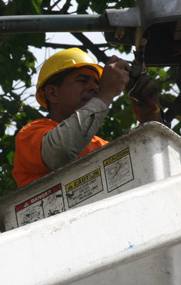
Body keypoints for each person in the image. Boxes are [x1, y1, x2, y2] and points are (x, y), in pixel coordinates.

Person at [12, 47, 160, 188]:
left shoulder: (101, 146)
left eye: (97, 84)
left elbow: (148, 170)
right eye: (82, 81)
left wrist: (151, 118)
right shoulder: (30, 134)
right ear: (52, 93)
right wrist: (106, 93)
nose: (94, 88)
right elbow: (60, 152)